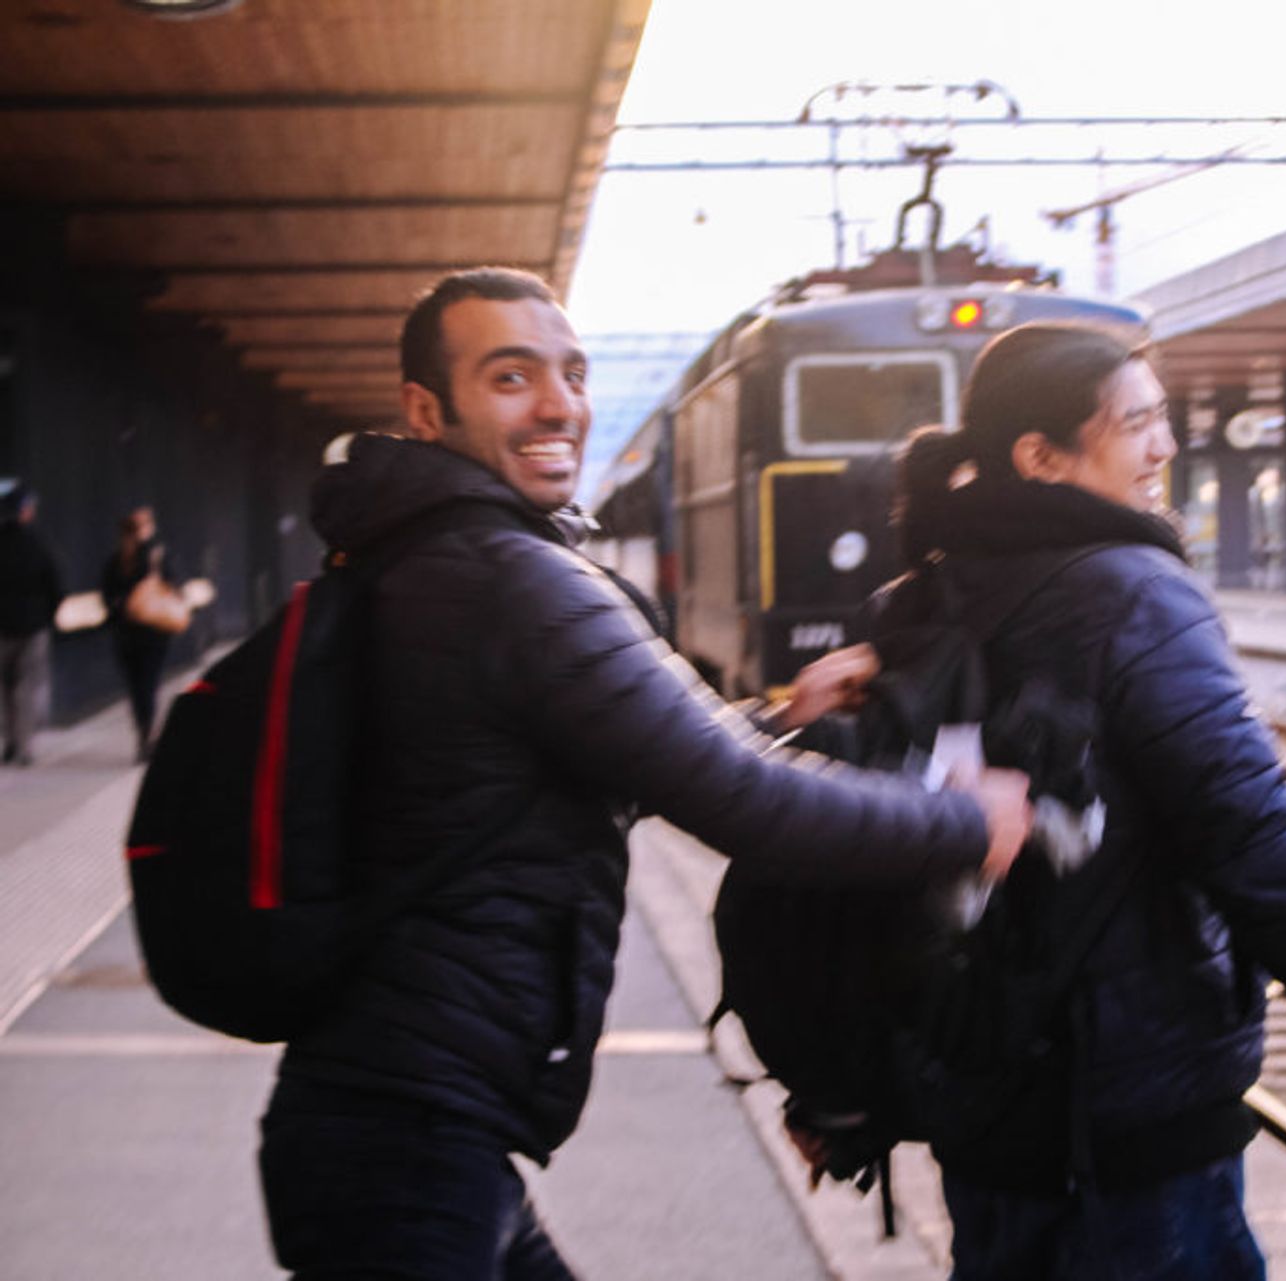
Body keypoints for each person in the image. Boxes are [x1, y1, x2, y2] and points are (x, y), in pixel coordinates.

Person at [253, 267, 1033, 1281]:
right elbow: (742, 802)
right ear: (425, 409)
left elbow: (595, 754)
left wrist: (773, 715)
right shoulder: (511, 578)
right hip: (409, 1137)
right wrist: (958, 822)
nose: (558, 405)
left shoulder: (424, 556)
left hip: (413, 1121)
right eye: (510, 377)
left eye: (572, 374)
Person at [791, 322, 1286, 1280]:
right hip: (1130, 1112)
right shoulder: (1135, 596)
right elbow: (1254, 833)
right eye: (1138, 424)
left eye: (1162, 419)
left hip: (981, 1085)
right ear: (1040, 458)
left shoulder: (921, 600)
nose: (1164, 448)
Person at [98, 505, 171, 761]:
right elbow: (174, 586)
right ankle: (147, 733)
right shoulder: (154, 557)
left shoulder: (115, 561)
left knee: (136, 687)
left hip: (125, 635)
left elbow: (106, 597)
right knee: (149, 685)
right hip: (153, 634)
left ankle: (143, 729)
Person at [0, 481, 63, 766]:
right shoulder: (38, 545)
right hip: (33, 627)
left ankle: (10, 742)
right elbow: (56, 586)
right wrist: (47, 616)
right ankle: (24, 746)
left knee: (4, 688)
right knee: (26, 687)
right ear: (25, 512)